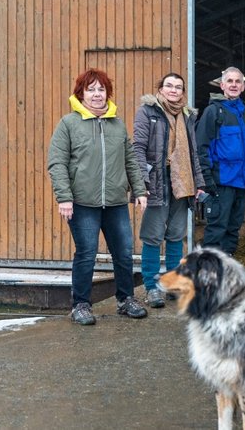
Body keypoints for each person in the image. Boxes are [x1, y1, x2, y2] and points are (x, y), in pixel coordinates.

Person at [47, 68, 149, 325]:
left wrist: (139, 190)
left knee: (124, 253)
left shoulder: (117, 124)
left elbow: (130, 161)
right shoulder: (68, 124)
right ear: (80, 94)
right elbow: (57, 163)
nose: (96, 94)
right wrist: (64, 197)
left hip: (114, 202)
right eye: (90, 89)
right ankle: (80, 305)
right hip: (82, 203)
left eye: (100, 89)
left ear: (107, 93)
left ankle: (126, 300)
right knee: (86, 253)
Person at [133, 73, 205, 308]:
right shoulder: (148, 111)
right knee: (152, 236)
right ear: (160, 89)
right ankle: (152, 288)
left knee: (176, 234)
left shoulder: (187, 116)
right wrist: (141, 183)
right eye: (169, 86)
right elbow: (139, 148)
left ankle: (173, 284)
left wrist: (198, 182)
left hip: (182, 180)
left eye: (178, 87)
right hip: (157, 179)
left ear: (183, 92)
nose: (174, 90)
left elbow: (193, 153)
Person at [195, 66, 245, 256]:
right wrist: (206, 179)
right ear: (222, 85)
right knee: (217, 226)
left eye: (238, 82)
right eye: (230, 81)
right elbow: (202, 148)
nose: (234, 85)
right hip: (221, 181)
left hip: (242, 181)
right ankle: (209, 271)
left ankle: (227, 266)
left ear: (243, 87)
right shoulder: (213, 111)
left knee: (234, 227)